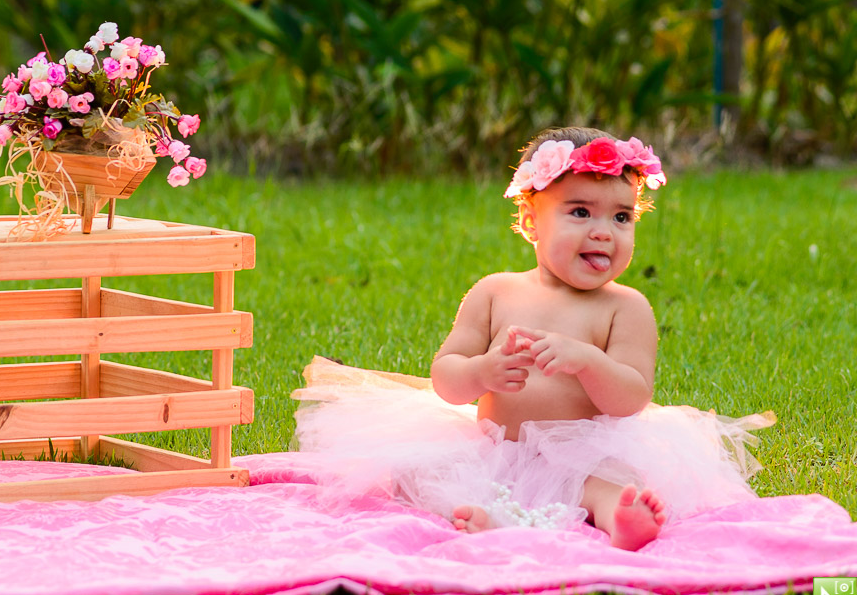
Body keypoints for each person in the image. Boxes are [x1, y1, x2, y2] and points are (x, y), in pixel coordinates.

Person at [293, 126, 773, 551]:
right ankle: (487, 519)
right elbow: (446, 378)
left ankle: (618, 519)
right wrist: (482, 371)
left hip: (586, 452)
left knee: (606, 484)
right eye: (581, 212)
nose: (604, 232)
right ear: (530, 223)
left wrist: (586, 360)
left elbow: (631, 397)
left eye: (622, 217)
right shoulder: (495, 292)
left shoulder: (625, 308)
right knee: (426, 473)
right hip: (494, 446)